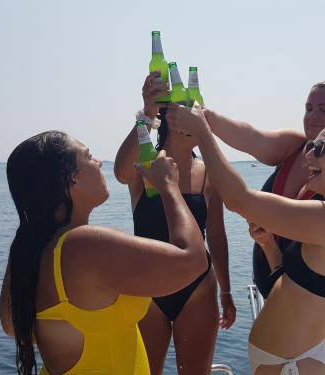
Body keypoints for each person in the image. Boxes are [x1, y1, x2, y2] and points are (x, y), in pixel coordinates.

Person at [199, 79, 325, 374]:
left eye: (322, 108)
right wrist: (206, 117)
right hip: (291, 277)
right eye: (308, 107)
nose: (311, 116)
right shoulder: (296, 148)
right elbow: (250, 136)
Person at [0, 131, 208, 375]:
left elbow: (12, 326)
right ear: (70, 179)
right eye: (89, 157)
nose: (99, 163)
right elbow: (193, 260)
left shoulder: (32, 247)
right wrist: (169, 186)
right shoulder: (84, 245)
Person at [113, 71, 236, 375]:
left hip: (197, 288)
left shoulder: (209, 172)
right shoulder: (147, 164)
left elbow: (217, 235)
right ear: (170, 118)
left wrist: (226, 291)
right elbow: (119, 173)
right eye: (188, 111)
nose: (197, 116)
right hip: (146, 286)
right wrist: (147, 113)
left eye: (198, 111)